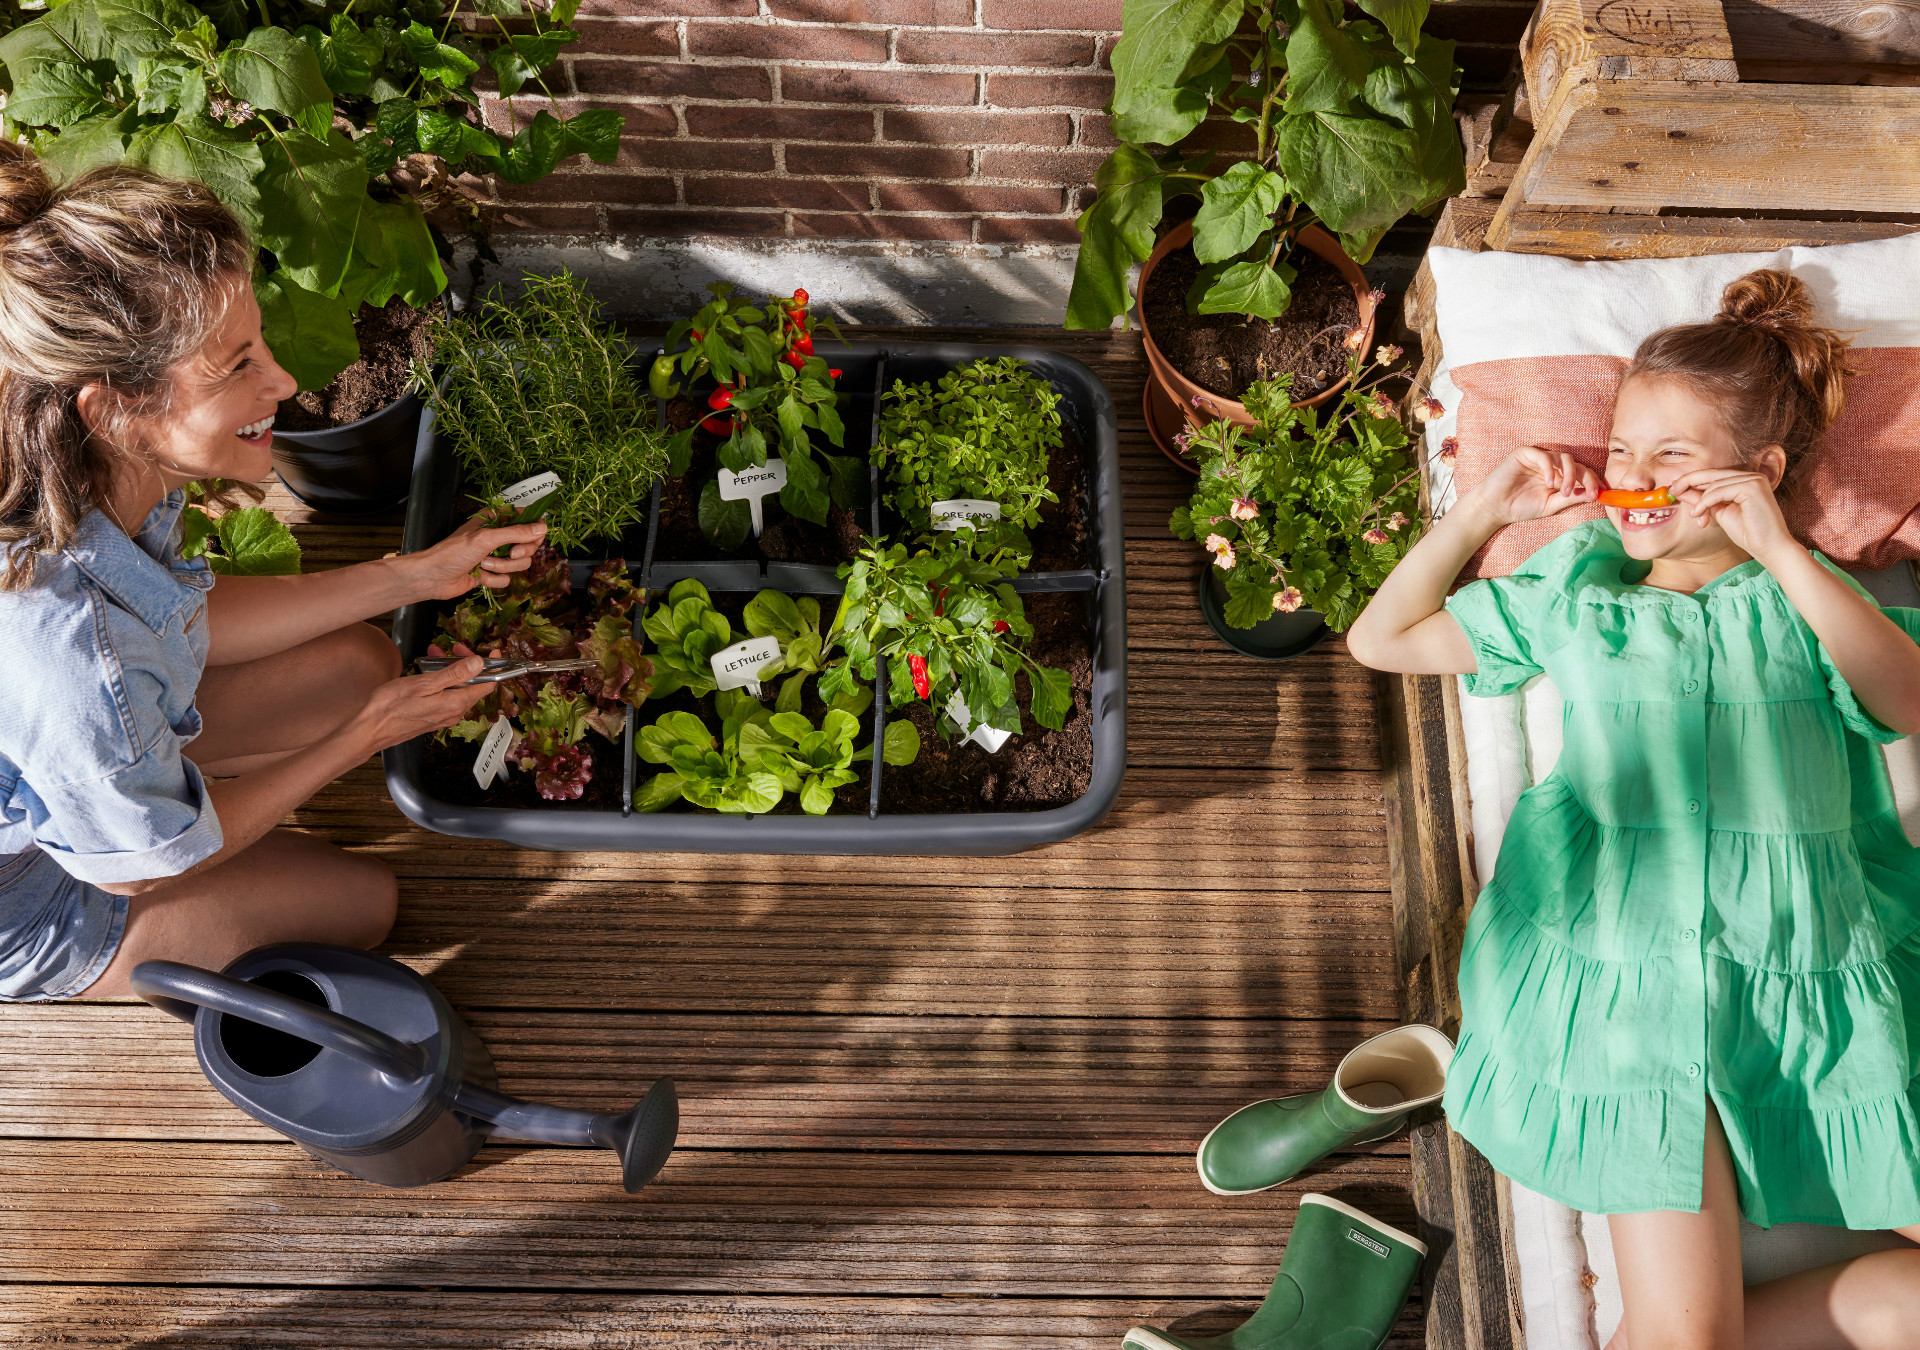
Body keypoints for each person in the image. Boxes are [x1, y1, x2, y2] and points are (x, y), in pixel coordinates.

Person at [1347, 269, 1920, 1349]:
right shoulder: (1579, 589)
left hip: (1812, 996)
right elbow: (1383, 641)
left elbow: (1907, 701)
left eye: (1672, 457)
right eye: (1622, 451)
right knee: (1684, 1333)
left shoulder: (1809, 597)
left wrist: (1785, 552)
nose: (1635, 480)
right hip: (1626, 1003)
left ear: (1758, 476)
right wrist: (1482, 509)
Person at [0, 145, 544, 1003]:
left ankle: (151, 775)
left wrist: (414, 575)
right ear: (114, 409)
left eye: (259, 344)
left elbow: (177, 619)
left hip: (84, 763)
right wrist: (363, 735)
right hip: (35, 894)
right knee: (363, 903)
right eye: (236, 366)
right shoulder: (64, 653)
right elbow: (139, 869)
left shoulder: (87, 459)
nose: (285, 381)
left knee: (364, 660)